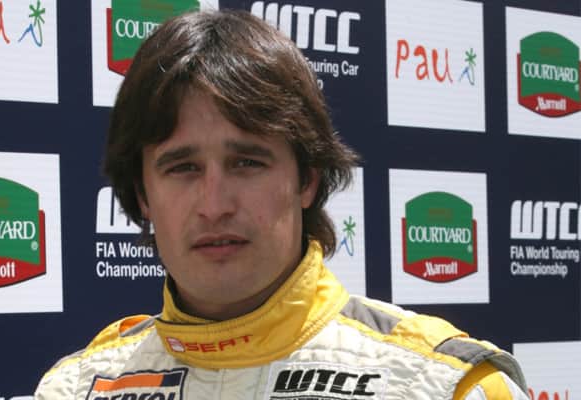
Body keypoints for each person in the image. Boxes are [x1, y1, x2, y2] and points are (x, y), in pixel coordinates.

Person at [35, 9, 529, 400]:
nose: (214, 204)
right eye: (183, 168)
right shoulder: (75, 388)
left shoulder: (447, 385)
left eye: (247, 163)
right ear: (142, 194)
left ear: (307, 180)